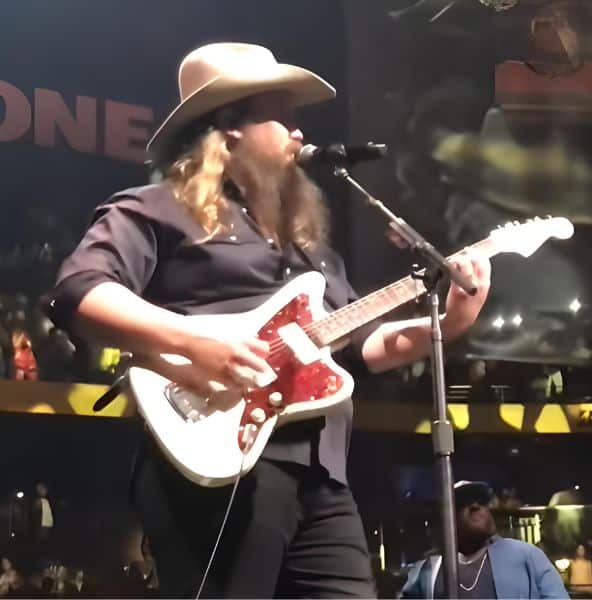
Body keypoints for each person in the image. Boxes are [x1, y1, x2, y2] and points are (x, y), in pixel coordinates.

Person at [47, 42, 491, 598]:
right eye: (281, 117)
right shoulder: (153, 209)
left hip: (322, 474)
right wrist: (197, 344)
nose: (299, 132)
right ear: (229, 128)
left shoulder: (309, 250)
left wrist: (443, 328)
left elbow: (356, 347)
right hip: (214, 461)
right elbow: (79, 292)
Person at [401, 480, 568, 599]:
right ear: (445, 518)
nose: (475, 506)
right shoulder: (427, 570)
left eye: (481, 501)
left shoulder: (526, 555)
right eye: (462, 503)